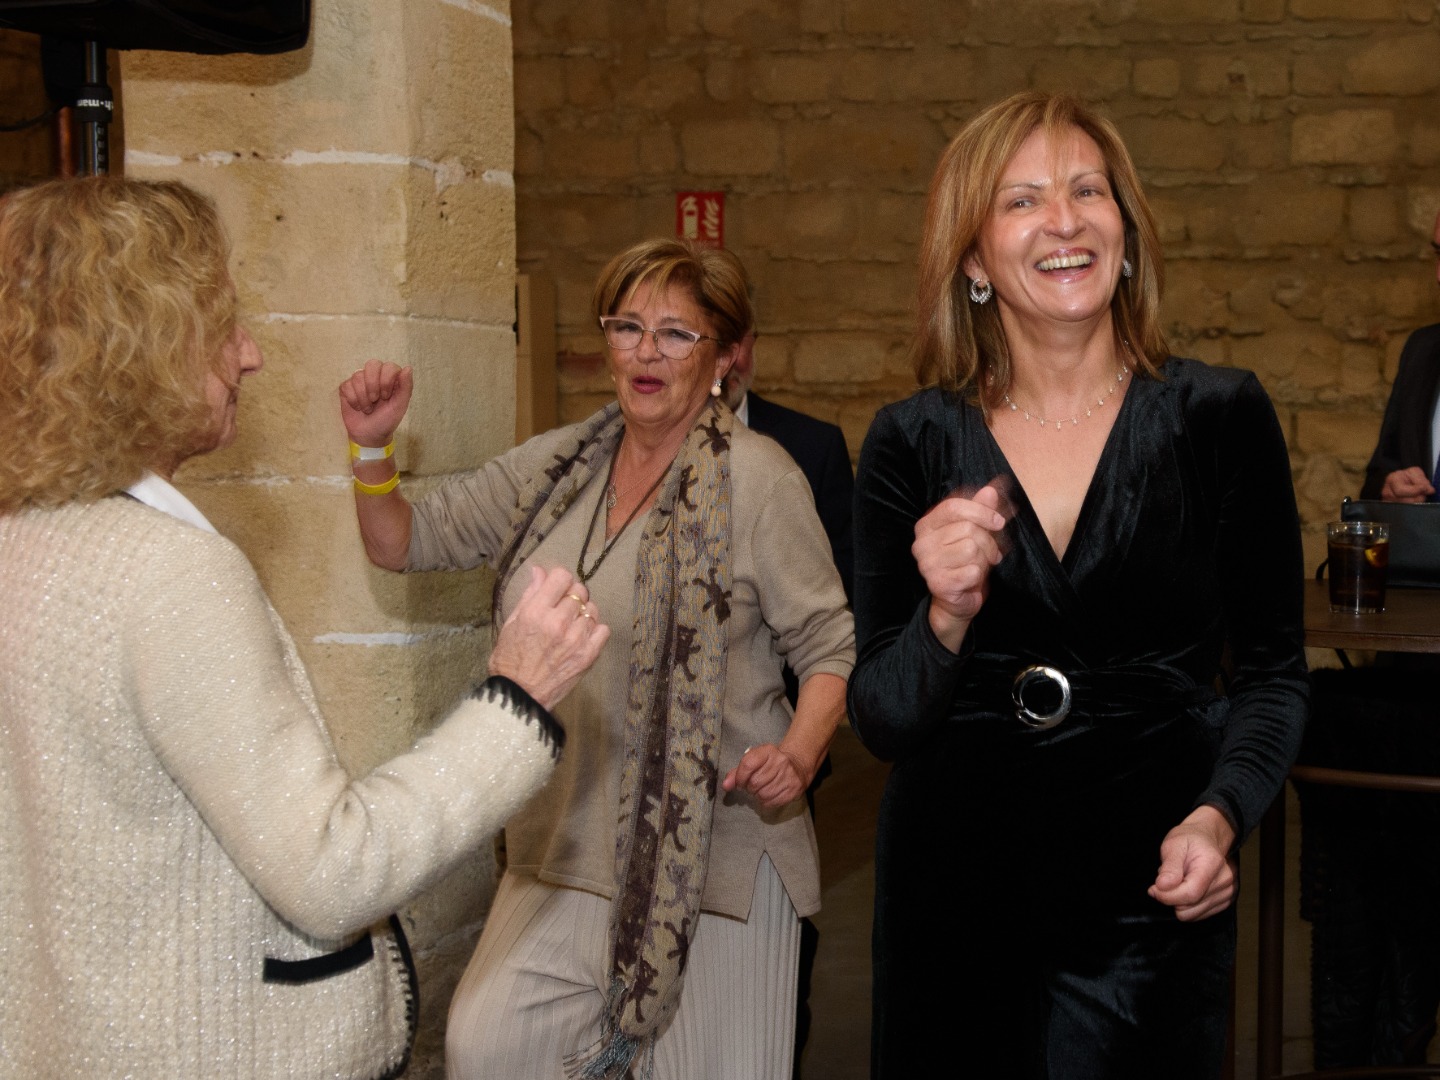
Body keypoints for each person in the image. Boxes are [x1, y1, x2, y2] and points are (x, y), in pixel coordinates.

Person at [0, 177, 608, 1080]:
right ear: (144, 347)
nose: (248, 355)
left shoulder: (24, 540)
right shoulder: (171, 574)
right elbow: (334, 874)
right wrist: (516, 699)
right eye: (222, 325)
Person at [847, 92, 1309, 1079]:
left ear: (1126, 235)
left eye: (1087, 191)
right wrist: (943, 617)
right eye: (1022, 201)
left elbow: (1273, 676)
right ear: (973, 260)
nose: (1063, 220)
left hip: (1153, 886)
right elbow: (881, 718)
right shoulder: (910, 441)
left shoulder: (1219, 417)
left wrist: (1221, 813)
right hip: (953, 890)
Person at [337, 237, 855, 1080]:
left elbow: (830, 644)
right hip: (562, 847)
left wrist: (798, 754)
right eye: (628, 327)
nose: (647, 352)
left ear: (724, 357)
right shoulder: (553, 469)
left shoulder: (762, 481)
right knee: (487, 1048)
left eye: (677, 334)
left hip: (714, 859)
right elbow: (404, 541)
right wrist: (371, 451)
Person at [723, 326, 854, 1080]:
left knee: (775, 957)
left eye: (736, 341)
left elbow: (837, 608)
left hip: (780, 743)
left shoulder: (808, 446)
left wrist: (804, 744)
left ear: (745, 345)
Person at [1361, 207, 1440, 502]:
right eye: (1439, 254)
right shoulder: (1422, 351)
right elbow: (1377, 477)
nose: (1439, 276)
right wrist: (1390, 490)